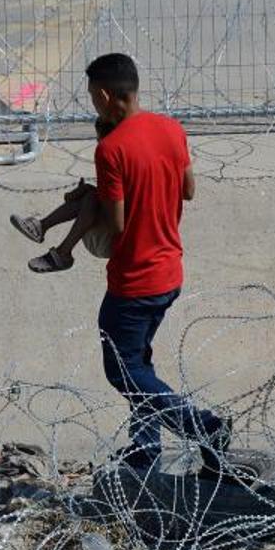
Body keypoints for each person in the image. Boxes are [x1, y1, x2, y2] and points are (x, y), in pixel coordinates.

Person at [79, 52, 228, 471]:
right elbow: (189, 190)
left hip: (133, 280)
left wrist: (87, 205)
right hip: (169, 272)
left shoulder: (110, 149)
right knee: (139, 363)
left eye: (93, 96)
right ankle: (145, 450)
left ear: (107, 96)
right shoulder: (171, 129)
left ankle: (202, 425)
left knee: (122, 371)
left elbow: (117, 223)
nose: (93, 104)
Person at [10, 117, 116, 273]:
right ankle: (43, 227)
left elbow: (114, 208)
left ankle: (62, 252)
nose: (99, 144)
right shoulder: (114, 158)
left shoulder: (116, 160)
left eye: (100, 139)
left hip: (113, 240)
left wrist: (84, 193)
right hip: (105, 232)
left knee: (91, 196)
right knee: (90, 195)